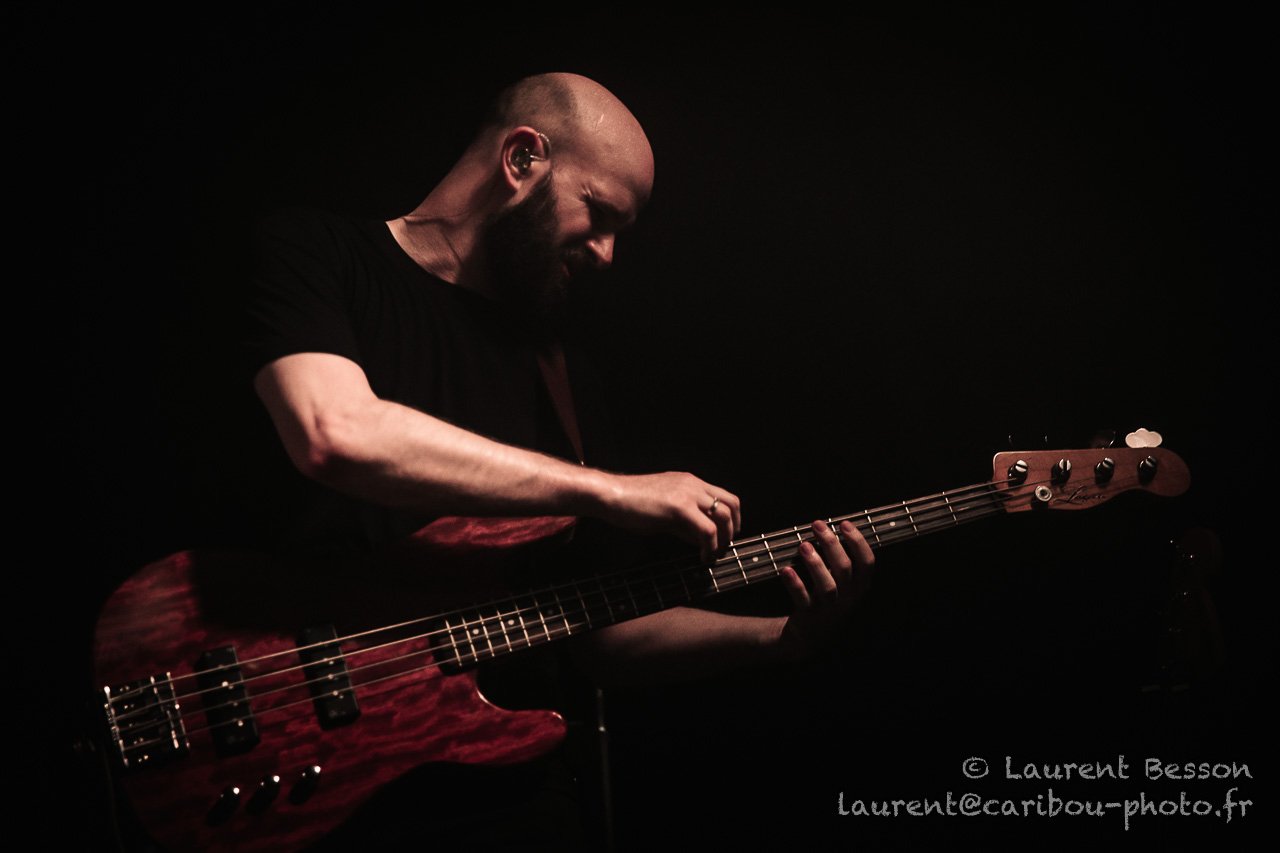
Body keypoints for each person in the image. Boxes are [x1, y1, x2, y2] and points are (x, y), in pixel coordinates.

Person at [240, 72, 873, 845]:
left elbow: (594, 634)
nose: (606, 254)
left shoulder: (563, 375)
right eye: (599, 213)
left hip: (502, 805)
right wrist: (609, 491)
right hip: (295, 764)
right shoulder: (318, 252)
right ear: (522, 158)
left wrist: (779, 638)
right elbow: (332, 430)